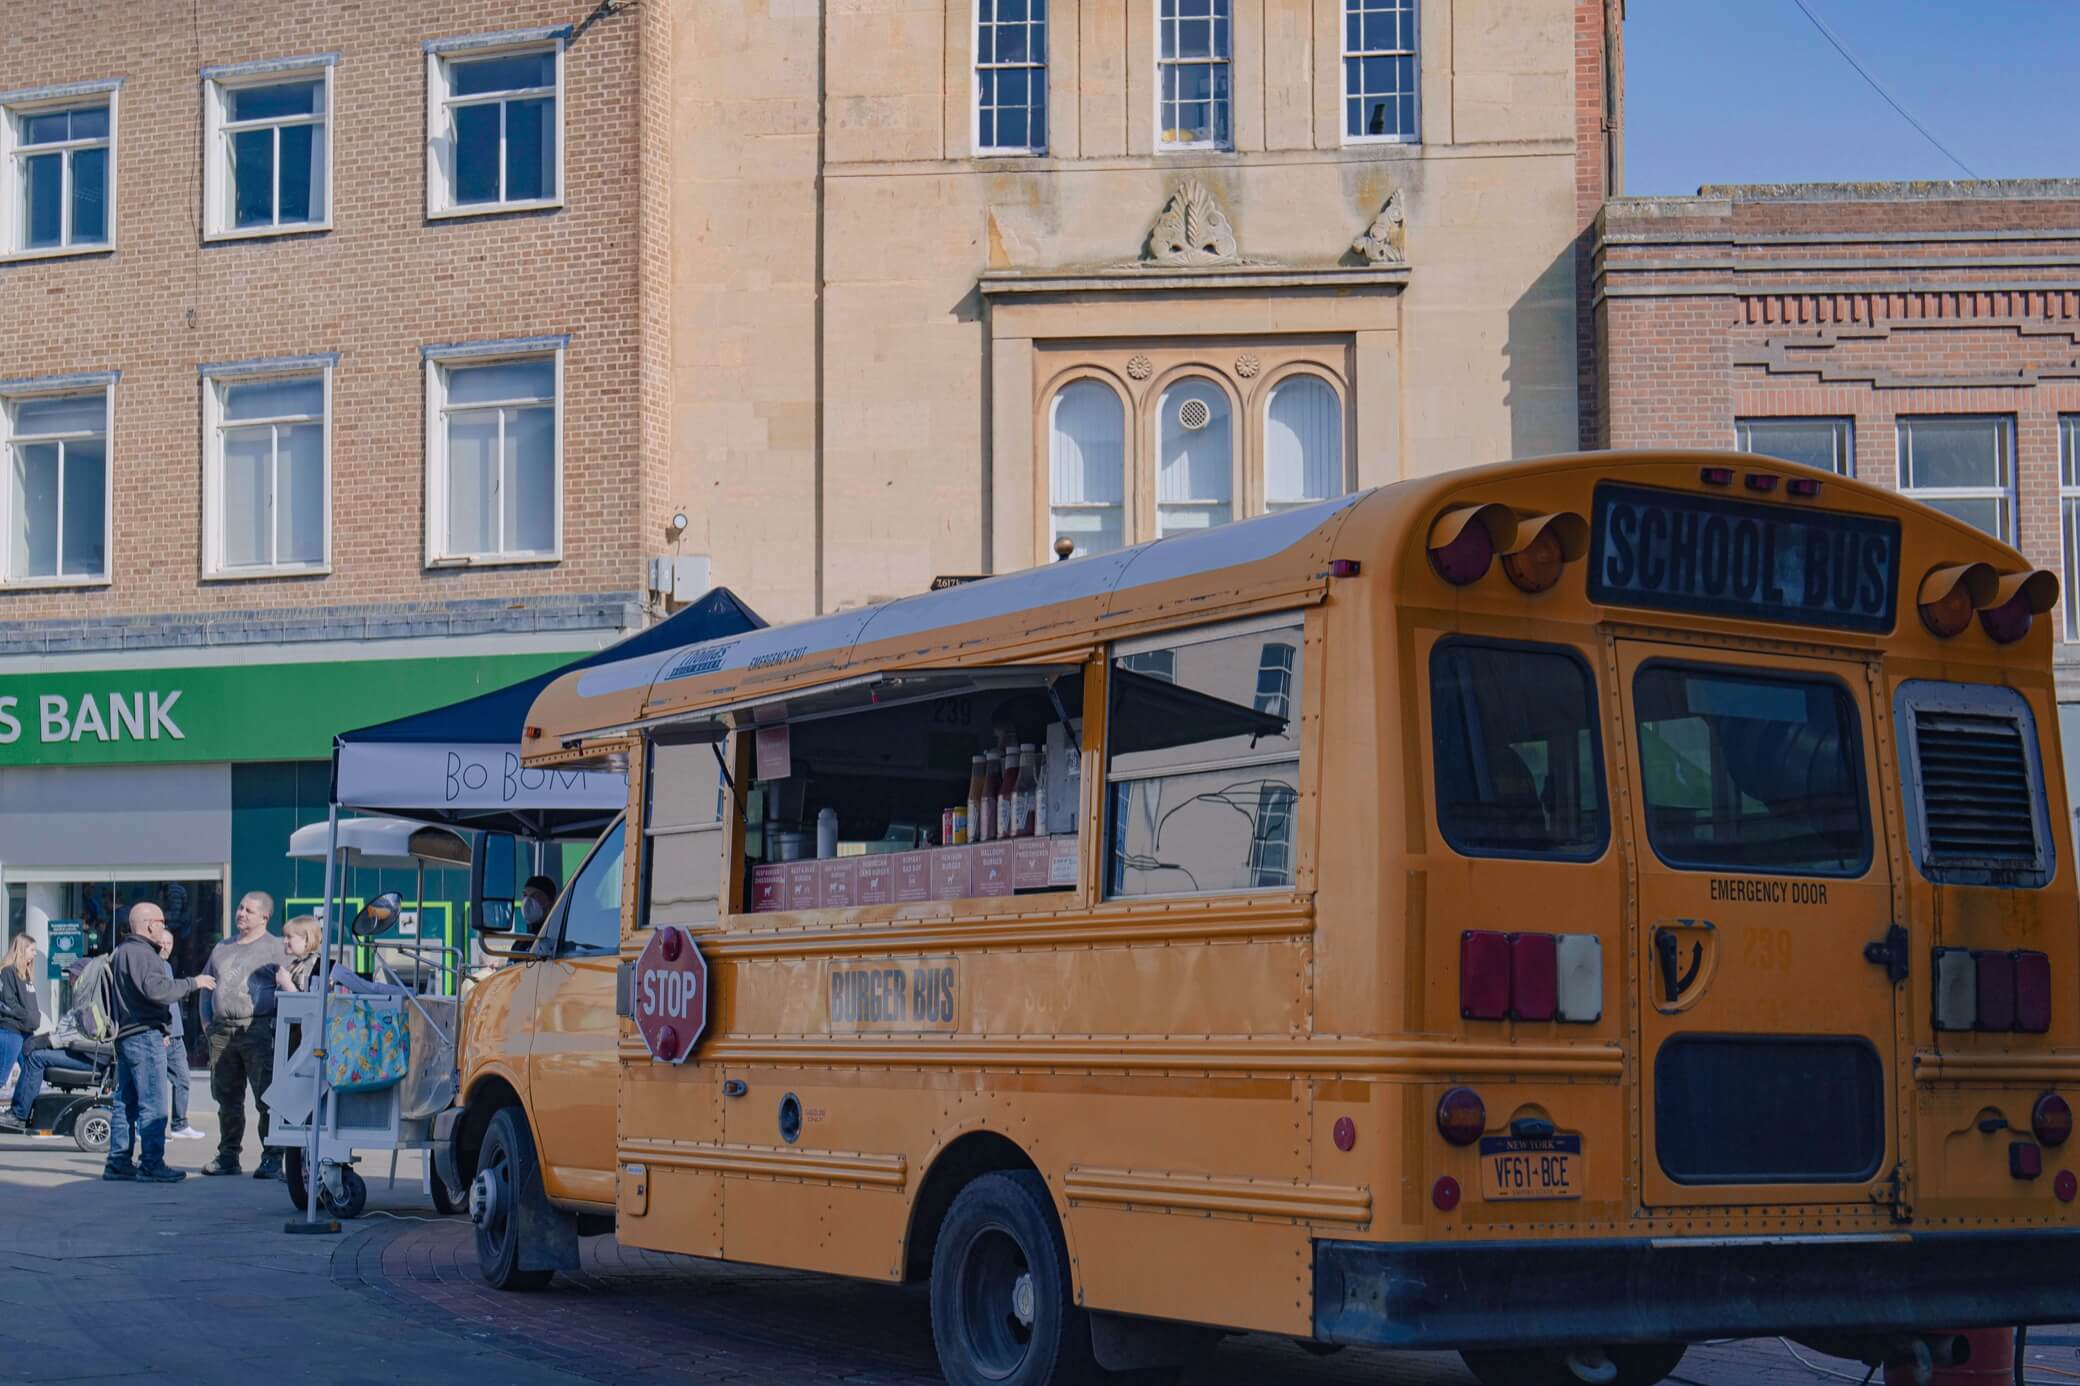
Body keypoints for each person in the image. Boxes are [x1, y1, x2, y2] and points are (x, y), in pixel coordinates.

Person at [106, 903, 214, 1182]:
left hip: (127, 1035)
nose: (166, 926)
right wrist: (194, 983)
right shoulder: (143, 953)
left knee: (125, 1102)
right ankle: (152, 1163)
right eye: (162, 921)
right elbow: (157, 990)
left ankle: (118, 1161)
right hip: (144, 1035)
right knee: (152, 1103)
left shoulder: (123, 951)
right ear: (150, 924)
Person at [200, 891, 289, 1179]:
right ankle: (228, 1156)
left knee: (267, 1098)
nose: (241, 913)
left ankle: (273, 1158)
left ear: (265, 916)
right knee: (226, 1098)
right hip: (221, 1031)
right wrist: (206, 1023)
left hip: (258, 1029)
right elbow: (207, 985)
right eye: (240, 908)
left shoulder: (277, 948)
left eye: (248, 910)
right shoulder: (222, 948)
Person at [0, 954, 112, 1134]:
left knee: (36, 1058)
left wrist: (47, 1041)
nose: (71, 979)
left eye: (74, 975)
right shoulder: (86, 998)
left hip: (91, 1056)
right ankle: (23, 1108)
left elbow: (81, 1035)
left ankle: (19, 1114)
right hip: (86, 1053)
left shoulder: (91, 1001)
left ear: (84, 976)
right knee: (35, 1051)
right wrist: (45, 1038)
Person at [154, 929, 204, 1140]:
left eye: (169, 943)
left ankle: (179, 1124)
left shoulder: (167, 966)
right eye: (162, 942)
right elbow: (156, 999)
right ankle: (149, 1127)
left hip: (176, 1035)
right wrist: (162, 1028)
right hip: (161, 1034)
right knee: (154, 1084)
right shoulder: (153, 966)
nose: (165, 946)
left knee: (182, 1078)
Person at [0, 936, 39, 1105]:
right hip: (11, 1030)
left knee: (31, 1072)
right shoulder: (8, 972)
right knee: (2, 1073)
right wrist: (28, 1016)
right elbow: (8, 1002)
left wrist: (33, 1018)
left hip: (27, 1031)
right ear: (22, 950)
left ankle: (22, 1109)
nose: (35, 954)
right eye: (32, 950)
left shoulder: (27, 975)